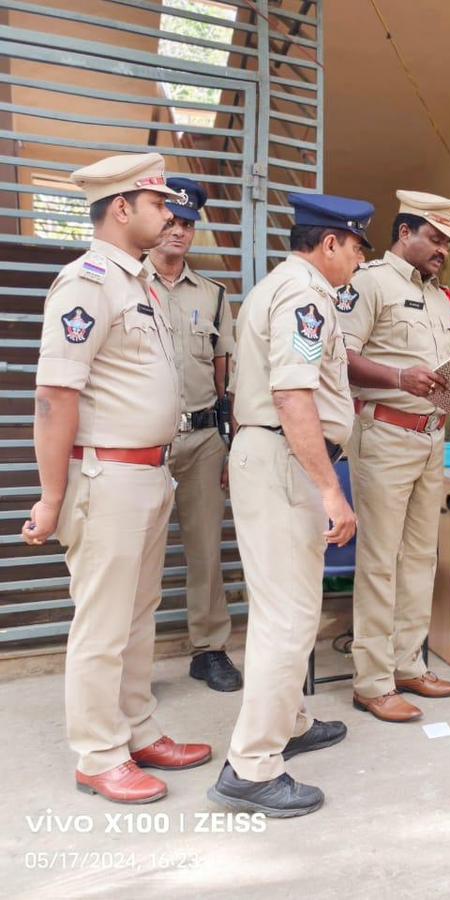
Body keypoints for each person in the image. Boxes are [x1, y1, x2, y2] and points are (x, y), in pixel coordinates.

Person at [23, 153, 212, 804]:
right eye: (159, 204)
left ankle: (135, 729)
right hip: (107, 479)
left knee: (138, 616)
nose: (171, 216)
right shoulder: (88, 283)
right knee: (103, 625)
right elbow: (55, 396)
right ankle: (97, 755)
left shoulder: (138, 283)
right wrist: (52, 497)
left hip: (150, 475)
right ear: (123, 208)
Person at [208, 193, 370, 817]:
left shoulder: (284, 286)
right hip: (287, 460)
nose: (358, 261)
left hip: (275, 456)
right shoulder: (304, 294)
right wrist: (331, 489)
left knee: (287, 605)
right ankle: (251, 766)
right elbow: (293, 396)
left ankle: (291, 722)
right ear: (330, 242)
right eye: (357, 248)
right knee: (288, 618)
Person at [338, 189, 450, 722]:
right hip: (384, 434)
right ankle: (372, 681)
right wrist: (398, 378)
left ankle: (408, 664)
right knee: (380, 562)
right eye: (434, 238)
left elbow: (442, 373)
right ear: (404, 232)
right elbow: (341, 356)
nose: (442, 250)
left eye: (449, 242)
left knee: (422, 557)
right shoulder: (368, 282)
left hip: (432, 437)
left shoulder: (438, 297)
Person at [145, 177, 241, 692]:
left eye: (187, 225)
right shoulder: (126, 285)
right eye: (171, 221)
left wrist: (228, 436)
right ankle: (131, 661)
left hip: (203, 438)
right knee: (138, 553)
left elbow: (224, 367)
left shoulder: (213, 294)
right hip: (146, 442)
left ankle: (209, 649)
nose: (178, 232)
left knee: (206, 551)